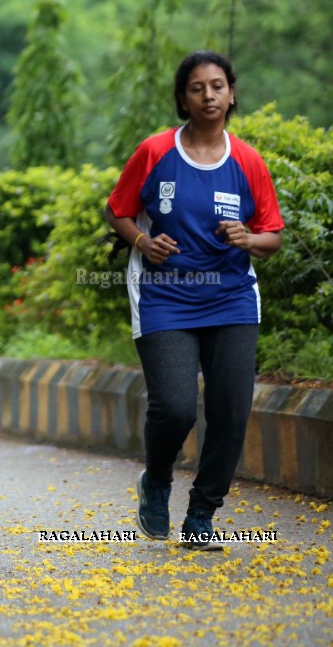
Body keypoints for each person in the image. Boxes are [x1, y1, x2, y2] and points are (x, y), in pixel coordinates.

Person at [104, 50, 284, 549]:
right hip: (165, 296)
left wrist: (248, 239)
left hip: (231, 298)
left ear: (231, 93)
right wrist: (142, 242)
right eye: (198, 87)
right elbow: (117, 210)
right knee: (176, 408)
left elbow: (273, 237)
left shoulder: (247, 161)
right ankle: (157, 480)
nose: (209, 95)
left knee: (230, 410)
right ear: (183, 98)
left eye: (218, 86)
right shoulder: (155, 151)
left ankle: (202, 513)